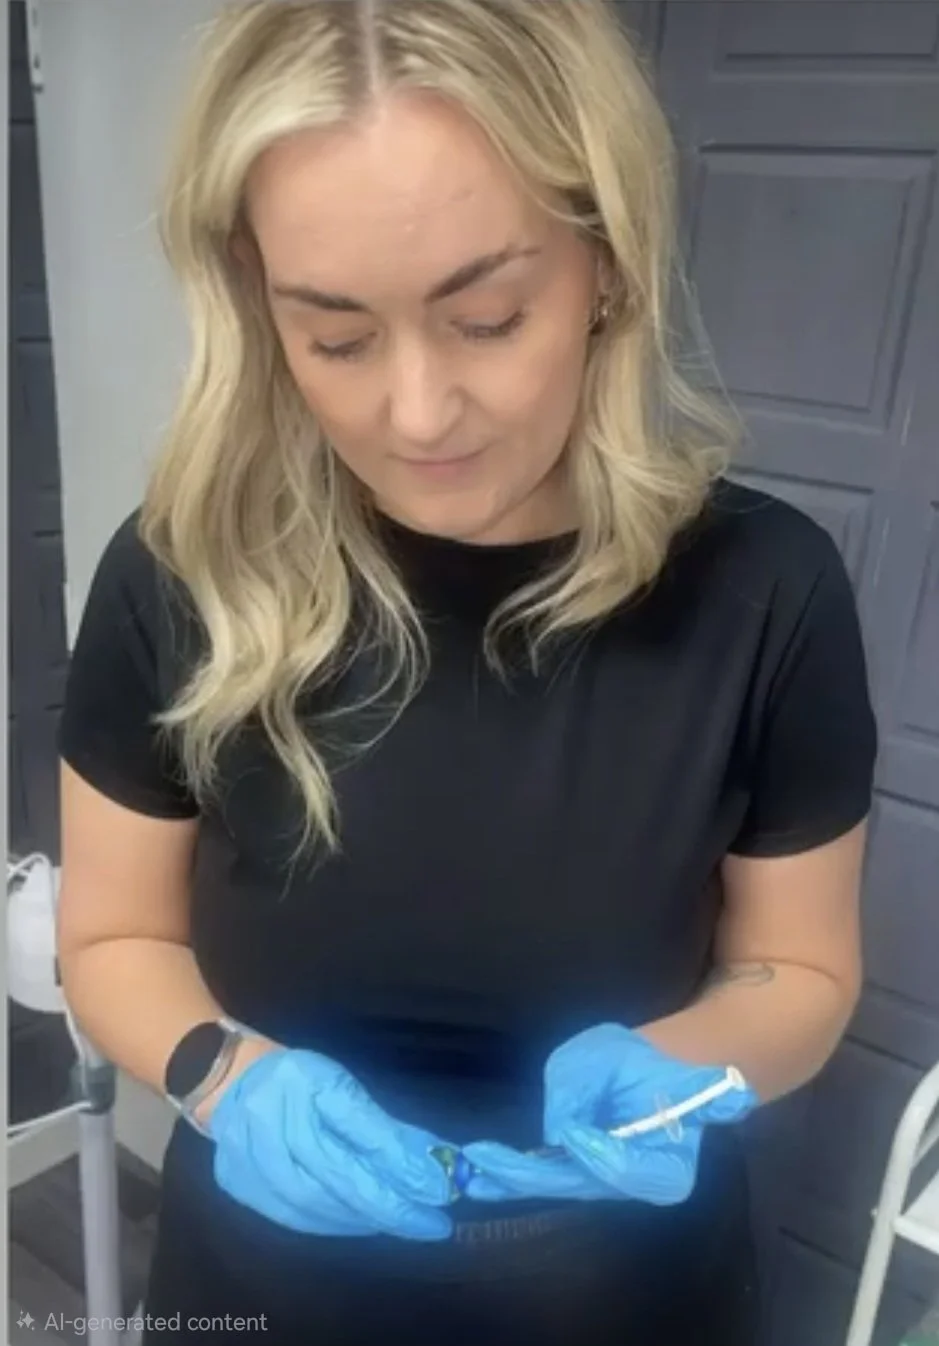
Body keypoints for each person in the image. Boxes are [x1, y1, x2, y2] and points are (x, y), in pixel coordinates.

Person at [55, 2, 878, 1343]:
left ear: (605, 262)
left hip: (631, 1301)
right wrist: (221, 1075)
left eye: (488, 317)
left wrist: (687, 1063)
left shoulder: (765, 592)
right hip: (256, 1296)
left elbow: (801, 967)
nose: (419, 412)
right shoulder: (178, 574)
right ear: (258, 306)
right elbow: (111, 936)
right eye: (335, 338)